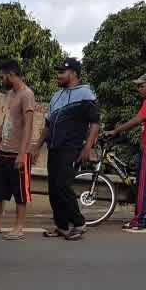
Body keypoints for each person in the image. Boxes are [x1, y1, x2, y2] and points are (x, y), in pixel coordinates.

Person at [41, 58, 100, 241]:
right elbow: (47, 124)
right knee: (53, 188)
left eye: (62, 72)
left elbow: (94, 123)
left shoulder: (85, 94)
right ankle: (62, 226)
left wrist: (87, 147)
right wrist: (37, 145)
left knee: (63, 185)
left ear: (73, 73)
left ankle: (79, 223)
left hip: (72, 147)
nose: (59, 75)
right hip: (54, 147)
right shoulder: (56, 96)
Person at [104, 73, 146, 230]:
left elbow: (137, 120)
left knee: (144, 184)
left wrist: (116, 131)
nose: (139, 89)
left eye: (142, 85)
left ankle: (138, 221)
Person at [0, 60, 39, 240]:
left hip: (18, 153)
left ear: (11, 75)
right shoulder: (10, 94)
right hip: (3, 151)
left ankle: (18, 228)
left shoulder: (27, 95)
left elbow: (28, 126)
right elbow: (6, 122)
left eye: (2, 77)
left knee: (20, 193)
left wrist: (22, 154)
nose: (1, 80)